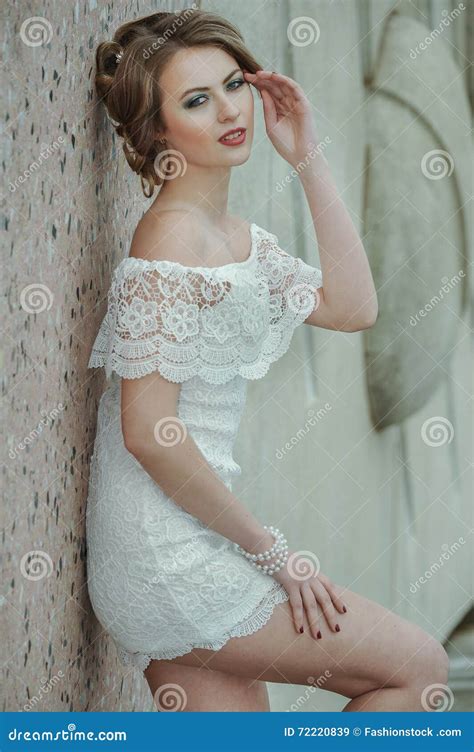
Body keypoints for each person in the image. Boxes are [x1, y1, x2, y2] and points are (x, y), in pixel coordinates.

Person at [86, 9, 449, 712]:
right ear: (158, 132)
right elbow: (147, 432)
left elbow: (353, 307)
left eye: (232, 85)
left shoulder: (234, 238)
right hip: (169, 556)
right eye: (196, 100)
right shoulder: (168, 246)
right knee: (418, 668)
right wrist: (272, 554)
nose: (229, 110)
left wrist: (307, 154)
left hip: (192, 543)